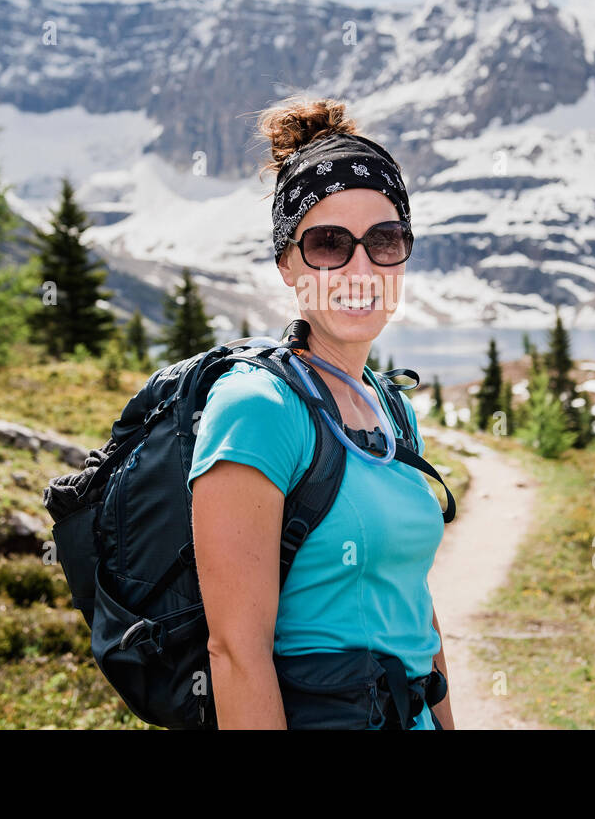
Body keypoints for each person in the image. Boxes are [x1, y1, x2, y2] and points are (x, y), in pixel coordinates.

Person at [188, 95, 454, 730]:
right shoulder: (257, 409)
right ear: (287, 262)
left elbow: (414, 604)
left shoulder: (391, 410)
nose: (361, 268)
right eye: (329, 243)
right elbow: (234, 653)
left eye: (384, 240)